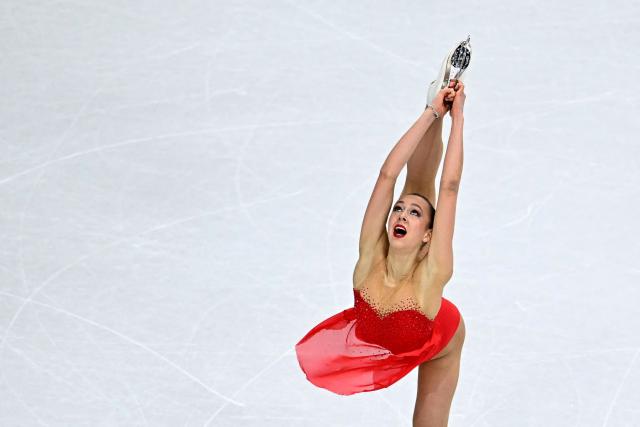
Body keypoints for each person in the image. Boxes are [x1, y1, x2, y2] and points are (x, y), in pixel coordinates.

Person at [296, 48, 468, 427]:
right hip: (397, 305)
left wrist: (457, 118)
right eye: (398, 211)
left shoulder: (433, 271)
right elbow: (388, 177)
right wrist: (431, 113)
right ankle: (437, 98)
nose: (401, 216)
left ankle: (442, 109)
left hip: (440, 337)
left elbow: (450, 187)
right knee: (416, 187)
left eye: (413, 216)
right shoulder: (370, 257)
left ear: (428, 238)